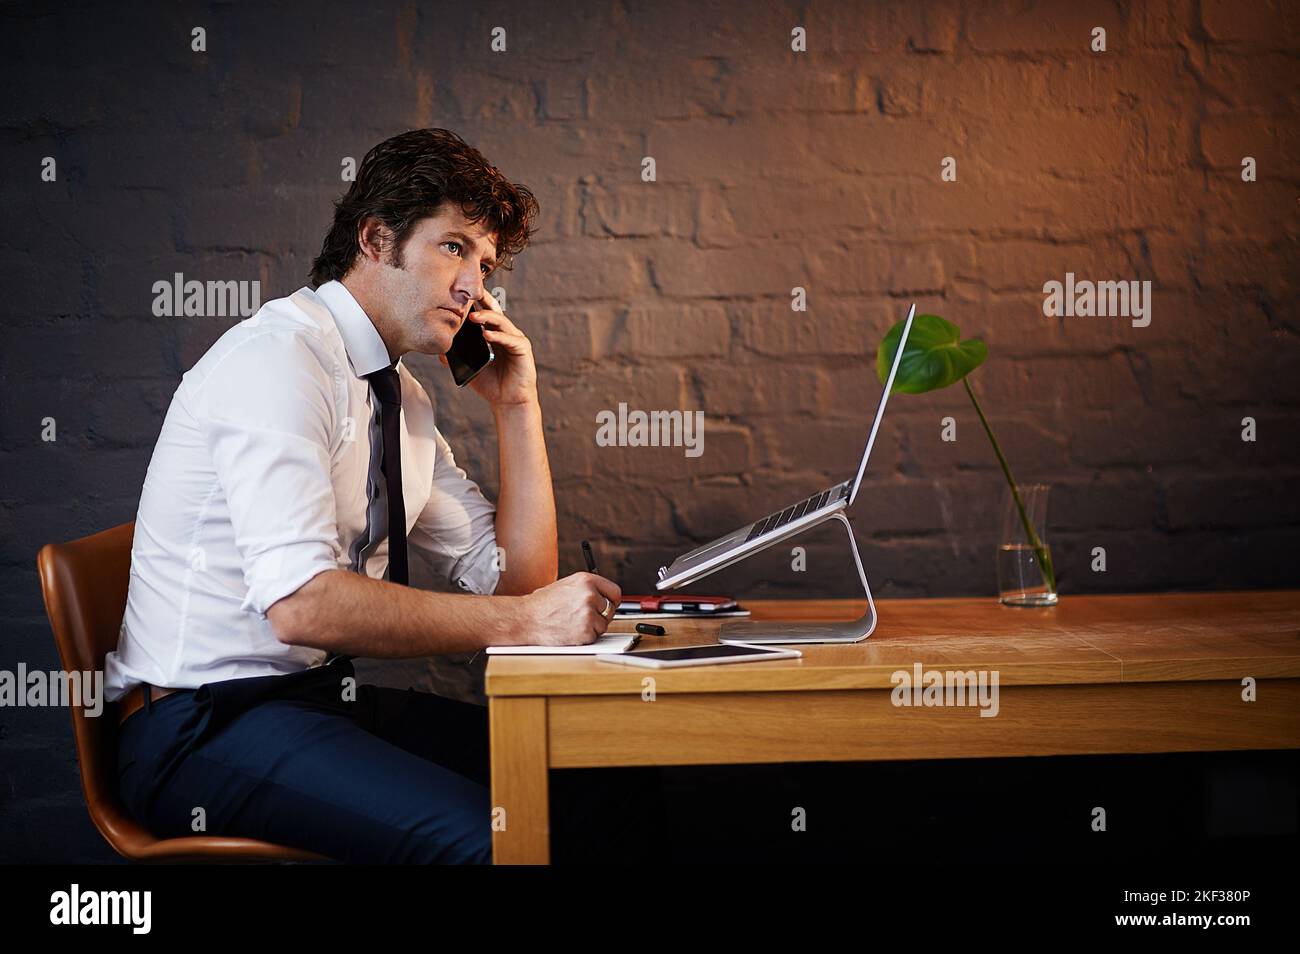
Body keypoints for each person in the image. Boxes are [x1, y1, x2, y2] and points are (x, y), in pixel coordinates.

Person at [104, 128, 624, 864]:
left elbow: (521, 589)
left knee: (587, 780)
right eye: (454, 249)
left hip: (316, 706)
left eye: (485, 262)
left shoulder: (401, 398)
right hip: (201, 730)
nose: (476, 285)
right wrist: (522, 617)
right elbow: (302, 605)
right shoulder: (280, 362)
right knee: (498, 844)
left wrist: (517, 407)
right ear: (377, 240)